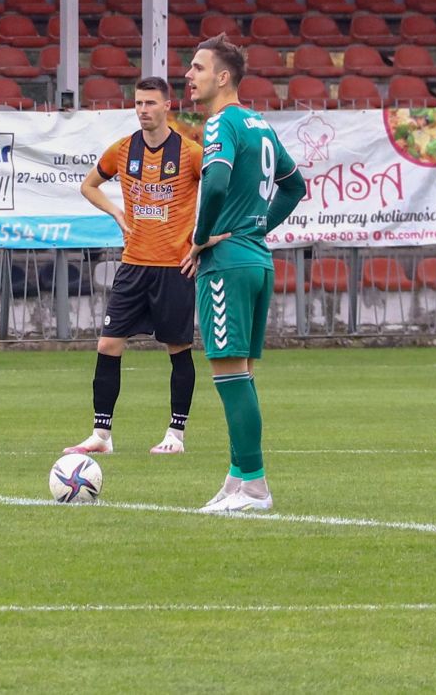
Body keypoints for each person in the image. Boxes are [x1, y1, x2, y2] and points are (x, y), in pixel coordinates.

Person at [181, 35, 306, 512]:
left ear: (223, 77)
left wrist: (202, 237)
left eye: (198, 67)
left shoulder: (222, 123)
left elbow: (214, 182)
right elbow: (294, 187)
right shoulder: (261, 125)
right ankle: (237, 478)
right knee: (243, 374)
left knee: (230, 375)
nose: (189, 76)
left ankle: (255, 486)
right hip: (256, 258)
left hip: (227, 265)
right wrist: (257, 227)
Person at [64, 77, 203, 456]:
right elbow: (89, 186)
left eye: (151, 103)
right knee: (108, 344)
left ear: (167, 106)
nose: (143, 110)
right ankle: (101, 435)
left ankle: (176, 434)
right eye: (139, 103)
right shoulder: (123, 150)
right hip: (133, 265)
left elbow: (219, 193)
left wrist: (201, 242)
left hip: (175, 267)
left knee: (178, 348)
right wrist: (116, 212)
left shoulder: (190, 153)